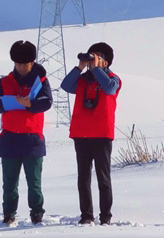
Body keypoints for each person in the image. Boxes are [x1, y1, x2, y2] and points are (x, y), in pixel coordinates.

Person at [0, 40, 53, 226]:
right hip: (9, 139)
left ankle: (37, 213)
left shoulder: (40, 82)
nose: (22, 67)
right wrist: (7, 103)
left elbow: (46, 102)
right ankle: (9, 214)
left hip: (32, 139)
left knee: (34, 182)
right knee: (9, 183)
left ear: (32, 63)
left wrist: (29, 104)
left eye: (25, 64)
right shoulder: (3, 82)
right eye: (18, 64)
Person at [60, 42, 121, 226]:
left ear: (106, 61)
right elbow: (65, 85)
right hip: (81, 134)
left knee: (103, 177)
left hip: (102, 134)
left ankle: (105, 216)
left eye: (97, 57)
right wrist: (80, 67)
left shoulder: (112, 78)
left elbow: (110, 88)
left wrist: (97, 70)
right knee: (83, 178)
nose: (93, 60)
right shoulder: (82, 79)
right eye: (91, 56)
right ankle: (86, 215)